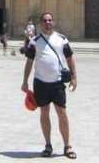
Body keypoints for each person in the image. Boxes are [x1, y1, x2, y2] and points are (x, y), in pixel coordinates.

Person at [21, 12, 77, 159]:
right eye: (45, 20)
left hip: (57, 82)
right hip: (40, 83)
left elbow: (70, 58)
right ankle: (48, 145)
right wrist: (25, 81)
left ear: (53, 22)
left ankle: (67, 145)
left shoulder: (62, 39)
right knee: (44, 112)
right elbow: (29, 62)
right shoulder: (35, 41)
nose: (48, 23)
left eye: (50, 20)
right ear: (41, 24)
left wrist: (74, 78)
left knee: (62, 112)